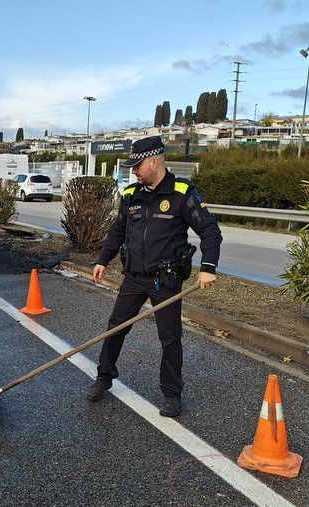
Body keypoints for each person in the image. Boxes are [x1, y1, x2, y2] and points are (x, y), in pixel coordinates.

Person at [87, 136, 222, 417]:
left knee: (170, 338)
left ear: (155, 161)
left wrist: (208, 267)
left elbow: (210, 230)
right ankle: (104, 377)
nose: (133, 171)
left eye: (137, 166)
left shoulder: (182, 192)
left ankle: (172, 394)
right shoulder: (130, 195)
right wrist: (102, 260)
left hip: (166, 279)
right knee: (115, 328)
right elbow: (117, 232)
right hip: (134, 277)